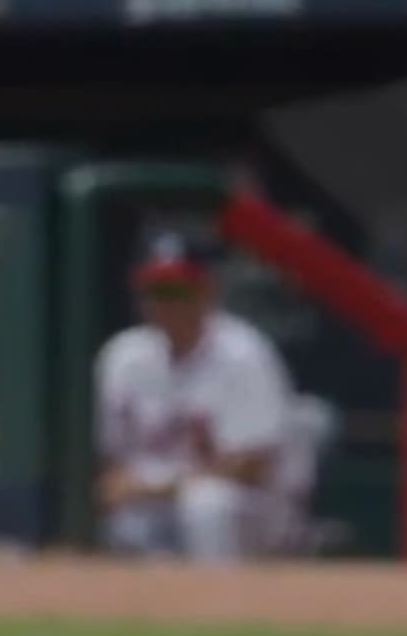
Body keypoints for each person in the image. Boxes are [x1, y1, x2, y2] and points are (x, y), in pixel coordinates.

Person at [94, 229, 321, 563]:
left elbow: (252, 467)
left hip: (252, 506)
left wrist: (159, 488)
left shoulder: (243, 353)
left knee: (206, 504)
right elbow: (111, 460)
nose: (166, 303)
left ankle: (222, 606)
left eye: (178, 290)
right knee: (126, 520)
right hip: (158, 499)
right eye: (156, 291)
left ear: (207, 290)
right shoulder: (123, 356)